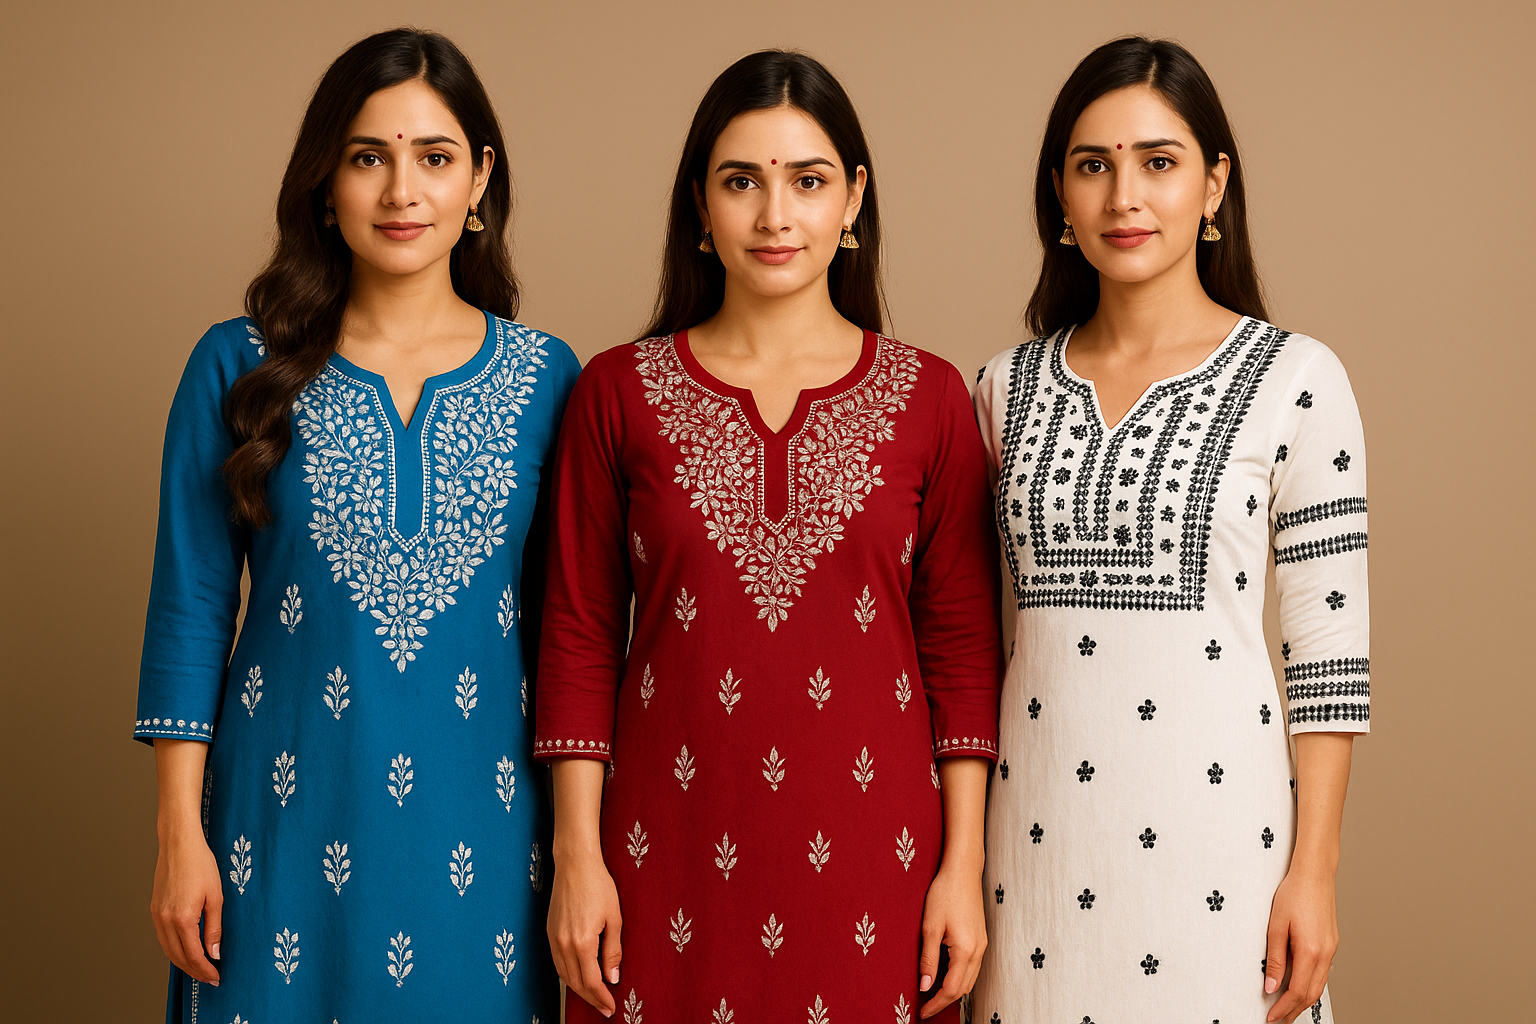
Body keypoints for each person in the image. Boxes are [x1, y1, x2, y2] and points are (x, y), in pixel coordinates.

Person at [533, 49, 1003, 1023]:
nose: (775, 215)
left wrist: (965, 867)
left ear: (854, 199)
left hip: (883, 868)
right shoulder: (616, 393)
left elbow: (962, 653)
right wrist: (578, 860)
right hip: (661, 862)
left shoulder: (932, 398)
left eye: (808, 180)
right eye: (741, 181)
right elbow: (578, 637)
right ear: (700, 206)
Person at [135, 28, 576, 1023]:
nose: (400, 192)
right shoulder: (236, 366)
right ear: (324, 180)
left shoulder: (547, 379)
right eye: (367, 157)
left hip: (487, 834)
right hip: (277, 828)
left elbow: (570, 641)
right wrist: (178, 834)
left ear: (480, 181)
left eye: (434, 158)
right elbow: (193, 606)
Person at [970, 36, 1369, 1024]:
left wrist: (1311, 874)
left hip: (1225, 859)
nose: (1124, 198)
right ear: (1059, 194)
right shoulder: (999, 390)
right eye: (1093, 166)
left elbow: (1329, 656)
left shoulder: (1297, 379)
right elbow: (969, 648)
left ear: (1214, 183)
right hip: (1035, 859)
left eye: (1158, 161)